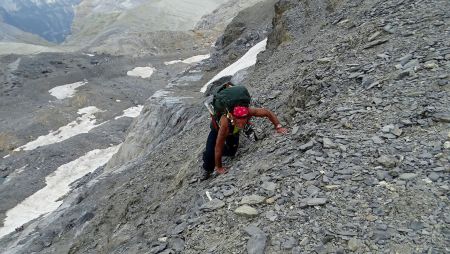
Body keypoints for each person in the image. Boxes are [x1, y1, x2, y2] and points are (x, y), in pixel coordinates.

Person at [201, 101, 288, 180]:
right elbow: (218, 148)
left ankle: (243, 131)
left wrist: (278, 127)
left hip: (233, 132)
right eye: (239, 122)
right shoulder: (225, 124)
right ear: (233, 117)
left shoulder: (249, 111)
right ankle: (207, 169)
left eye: (243, 121)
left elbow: (267, 112)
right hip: (217, 130)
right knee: (210, 153)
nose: (241, 123)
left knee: (231, 153)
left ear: (247, 116)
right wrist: (219, 167)